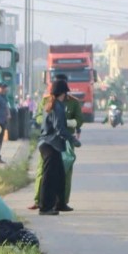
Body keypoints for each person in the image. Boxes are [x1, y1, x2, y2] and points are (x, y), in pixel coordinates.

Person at [37, 79, 79, 215]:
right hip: (50, 145)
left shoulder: (52, 104)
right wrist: (73, 139)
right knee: (49, 178)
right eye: (66, 92)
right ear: (62, 93)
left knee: (60, 175)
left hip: (50, 144)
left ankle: (59, 203)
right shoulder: (58, 107)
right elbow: (60, 129)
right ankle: (45, 207)